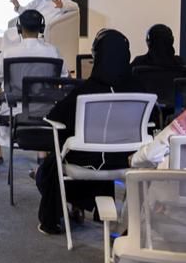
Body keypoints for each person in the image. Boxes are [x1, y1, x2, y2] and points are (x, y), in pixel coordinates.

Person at [34, 29, 142, 233]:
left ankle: (54, 219)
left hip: (84, 162)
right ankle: (98, 210)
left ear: (97, 56)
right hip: (124, 161)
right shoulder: (139, 91)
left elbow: (55, 117)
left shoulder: (85, 92)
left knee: (51, 166)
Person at [0, 9, 61, 163]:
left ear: (19, 28)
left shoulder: (9, 52)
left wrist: (7, 78)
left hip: (13, 108)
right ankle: (42, 156)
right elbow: (63, 76)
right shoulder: (53, 51)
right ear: (41, 28)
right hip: (45, 108)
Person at [6, 0, 79, 43]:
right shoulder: (38, 1)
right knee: (10, 33)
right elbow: (26, 12)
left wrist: (62, 6)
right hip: (33, 29)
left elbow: (75, 7)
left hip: (50, 31)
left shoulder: (62, 1)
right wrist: (18, 6)